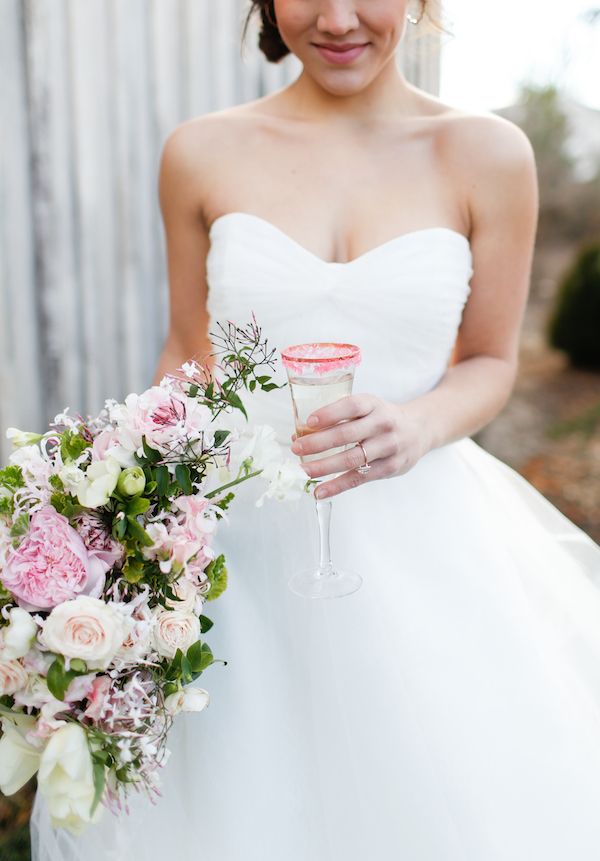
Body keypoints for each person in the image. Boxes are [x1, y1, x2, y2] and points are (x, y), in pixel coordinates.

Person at [30, 1, 600, 859]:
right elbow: (189, 354)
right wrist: (126, 535)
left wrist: (417, 424)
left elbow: (490, 360)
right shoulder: (200, 152)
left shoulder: (488, 154)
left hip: (427, 542)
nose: (336, 19)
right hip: (237, 562)